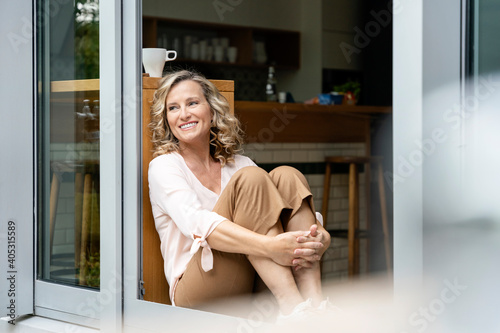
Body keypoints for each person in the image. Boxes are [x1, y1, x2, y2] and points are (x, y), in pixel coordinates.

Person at [148, 69, 332, 322]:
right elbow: (199, 225)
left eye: (192, 103)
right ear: (166, 119)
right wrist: (272, 247)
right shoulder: (164, 166)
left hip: (251, 279)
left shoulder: (239, 163)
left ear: (212, 111)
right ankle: (294, 310)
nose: (184, 114)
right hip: (199, 289)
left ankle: (314, 305)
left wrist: (318, 235)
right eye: (173, 108)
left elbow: (277, 211)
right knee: (252, 178)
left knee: (287, 176)